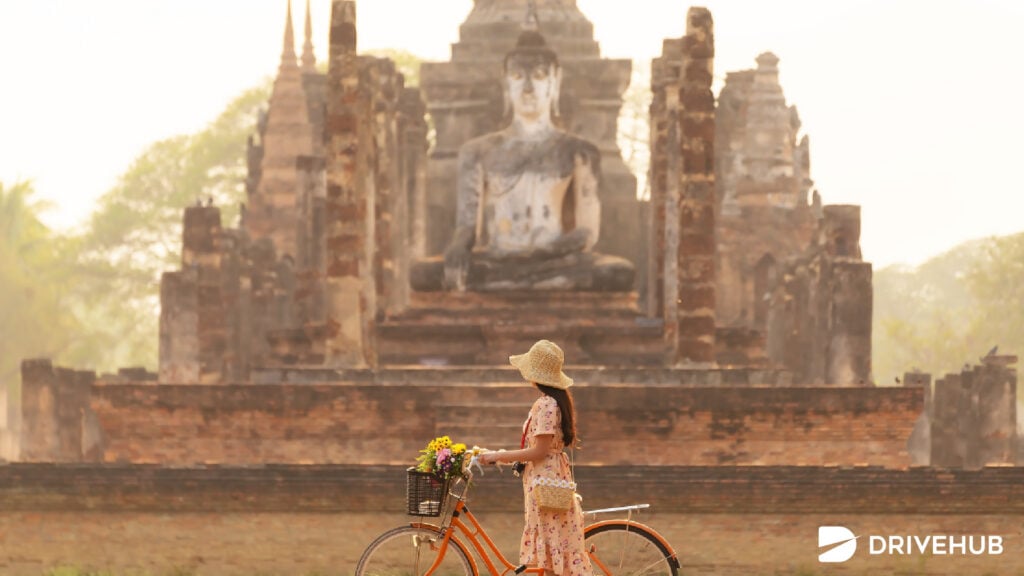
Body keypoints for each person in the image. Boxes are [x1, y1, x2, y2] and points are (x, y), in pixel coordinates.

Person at [409, 27, 634, 292]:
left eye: (538, 76)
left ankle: (516, 282)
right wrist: (458, 248)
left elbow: (586, 232)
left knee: (617, 273)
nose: (528, 88)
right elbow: (467, 227)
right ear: (506, 83)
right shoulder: (477, 151)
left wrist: (538, 254)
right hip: (498, 260)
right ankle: (519, 281)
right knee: (423, 274)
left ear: (554, 82)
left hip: (556, 262)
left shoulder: (579, 151)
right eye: (518, 77)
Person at [478, 339, 592, 576]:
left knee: (550, 551)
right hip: (545, 477)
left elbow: (539, 451)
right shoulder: (553, 401)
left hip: (545, 479)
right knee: (550, 550)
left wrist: (499, 456)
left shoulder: (547, 404)